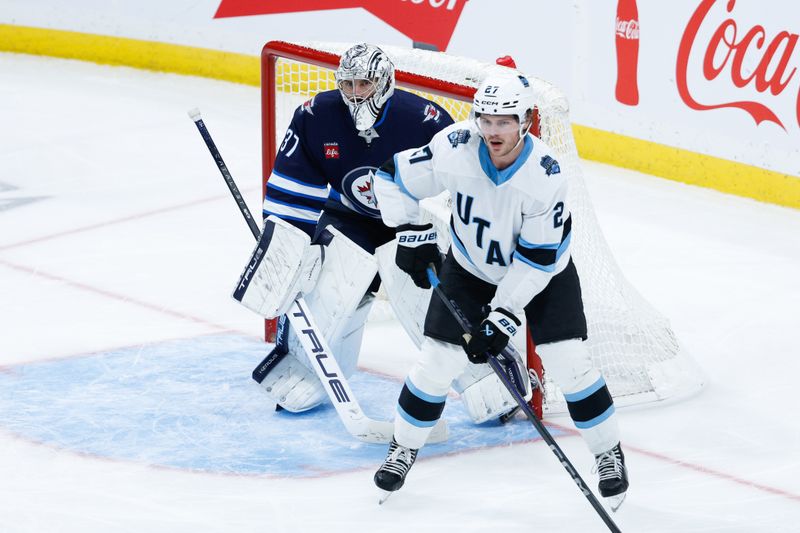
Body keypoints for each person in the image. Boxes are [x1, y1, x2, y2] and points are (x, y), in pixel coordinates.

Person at [371, 73, 629, 506]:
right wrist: (412, 233)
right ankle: (403, 446)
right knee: (437, 361)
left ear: (525, 120)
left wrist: (503, 317)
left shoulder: (545, 177)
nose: (492, 131)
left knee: (569, 363)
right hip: (470, 268)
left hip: (544, 274)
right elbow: (390, 177)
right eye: (485, 120)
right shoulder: (454, 147)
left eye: (504, 121)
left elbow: (536, 261)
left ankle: (608, 452)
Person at [248, 43, 455, 413]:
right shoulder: (317, 115)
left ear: (385, 82)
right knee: (327, 286)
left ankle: (480, 375)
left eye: (365, 84)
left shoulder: (424, 119)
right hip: (347, 217)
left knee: (425, 295)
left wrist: (449, 240)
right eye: (349, 84)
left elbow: (462, 186)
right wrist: (289, 244)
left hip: (409, 223)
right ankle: (307, 370)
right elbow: (293, 183)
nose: (356, 94)